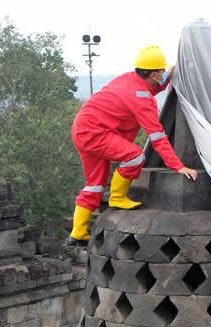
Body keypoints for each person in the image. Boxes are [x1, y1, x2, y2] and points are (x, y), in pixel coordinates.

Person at [68, 45, 198, 245]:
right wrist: (177, 166)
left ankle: (78, 233)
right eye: (161, 71)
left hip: (82, 130)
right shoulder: (141, 98)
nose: (163, 73)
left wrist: (167, 77)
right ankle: (118, 197)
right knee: (134, 156)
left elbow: (149, 88)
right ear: (154, 74)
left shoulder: (129, 79)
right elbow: (157, 137)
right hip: (96, 132)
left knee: (94, 184)